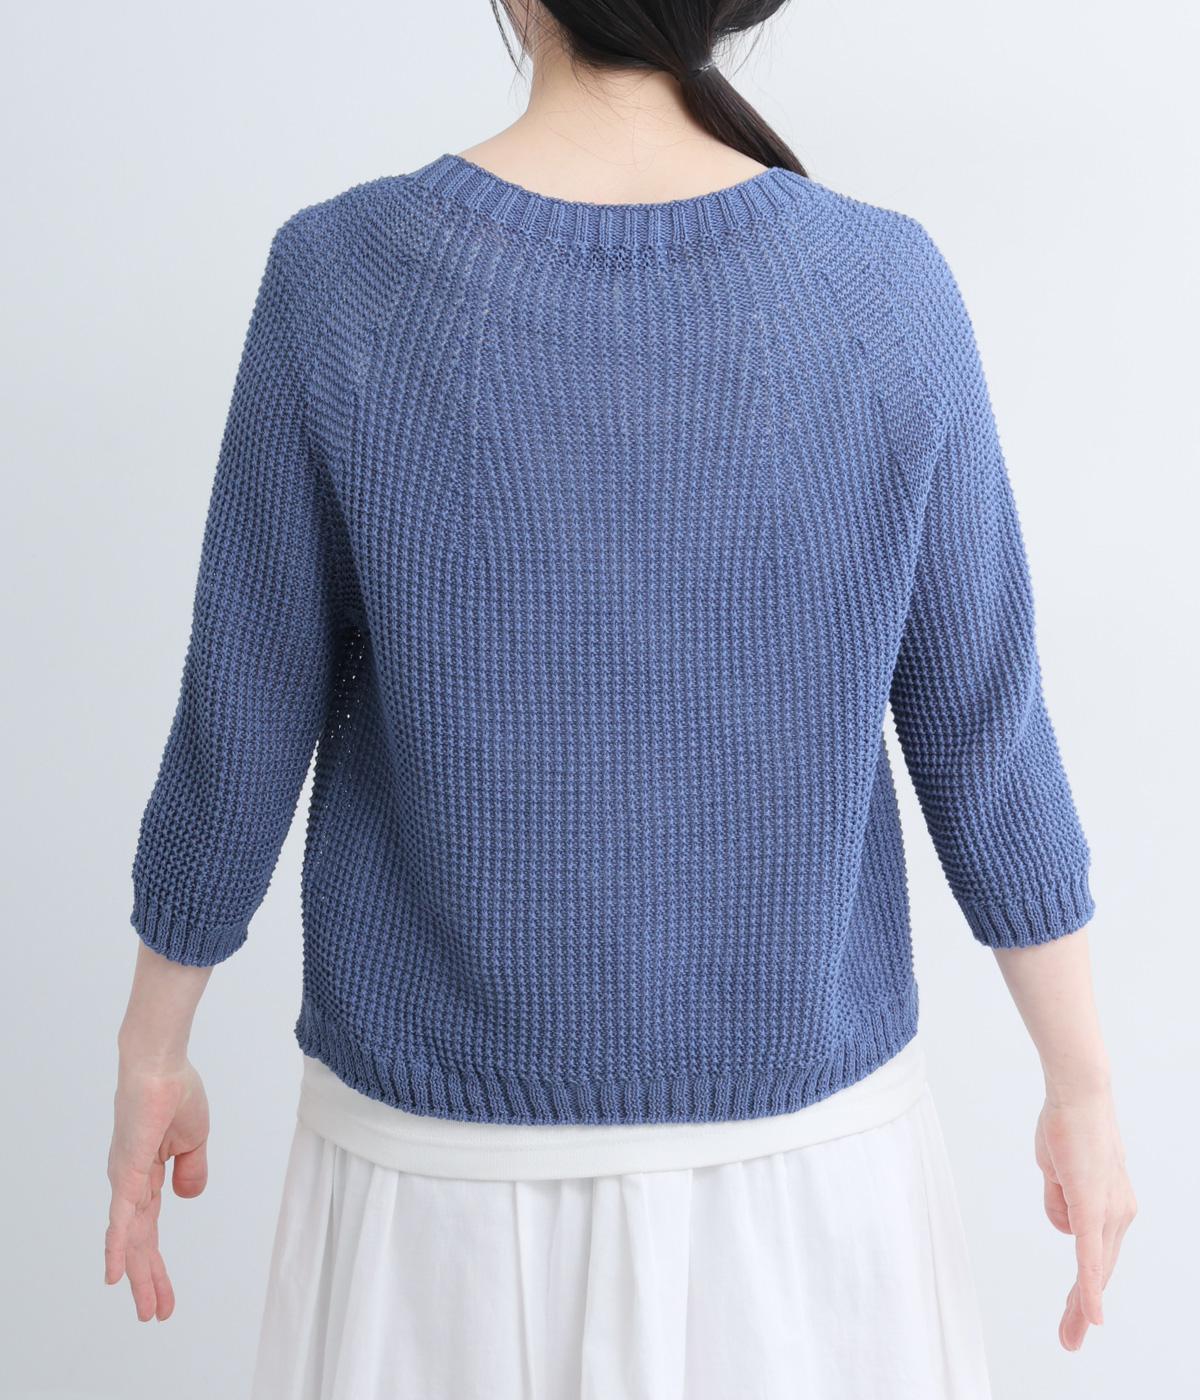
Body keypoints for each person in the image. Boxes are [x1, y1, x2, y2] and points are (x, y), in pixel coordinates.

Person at [105, 1, 1137, 1395]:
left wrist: (152, 1053)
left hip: (437, 1206)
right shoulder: (884, 289)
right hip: (805, 1200)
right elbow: (988, 740)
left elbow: (240, 720)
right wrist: (1082, 1087)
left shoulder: (339, 280)